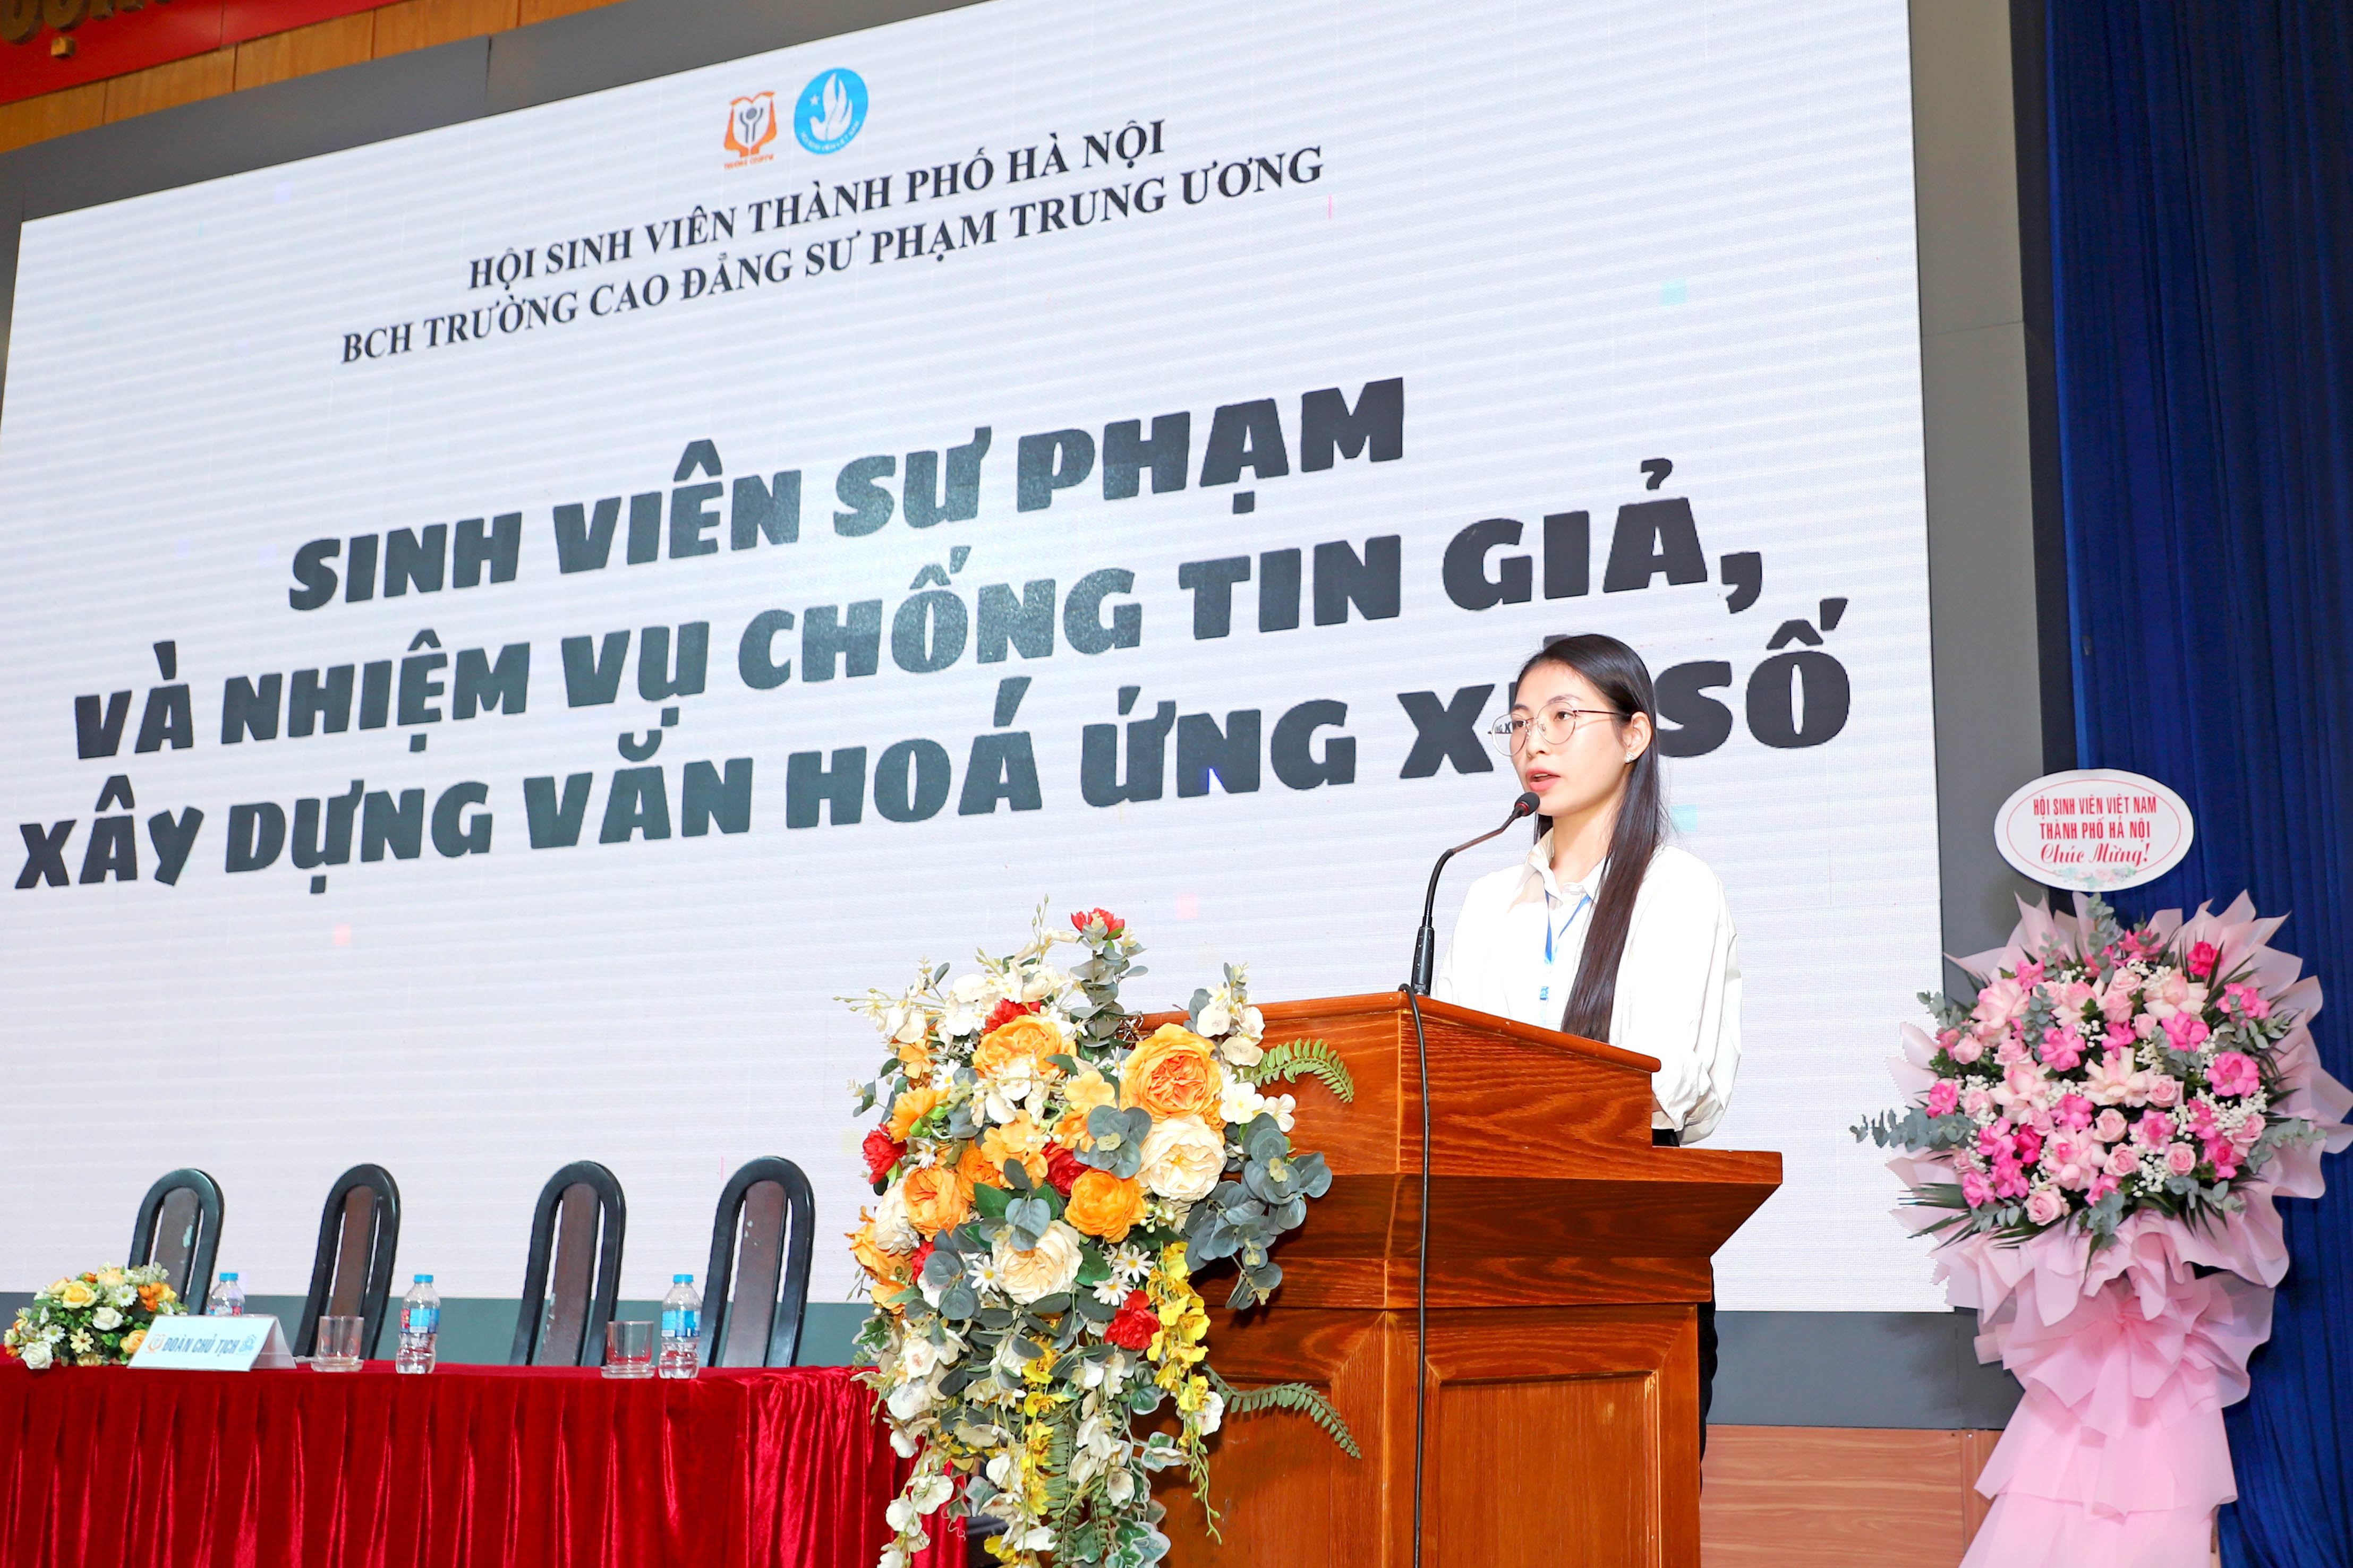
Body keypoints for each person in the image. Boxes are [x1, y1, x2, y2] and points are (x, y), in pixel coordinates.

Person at [1431, 631, 1741, 1450]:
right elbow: (1449, 1076)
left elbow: (1658, 1084)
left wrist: (1510, 1102)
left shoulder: (1677, 888)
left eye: (1563, 717)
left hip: (1625, 1241)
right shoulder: (1485, 898)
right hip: (1491, 1251)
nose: (1534, 741)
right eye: (1519, 722)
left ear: (1635, 735)